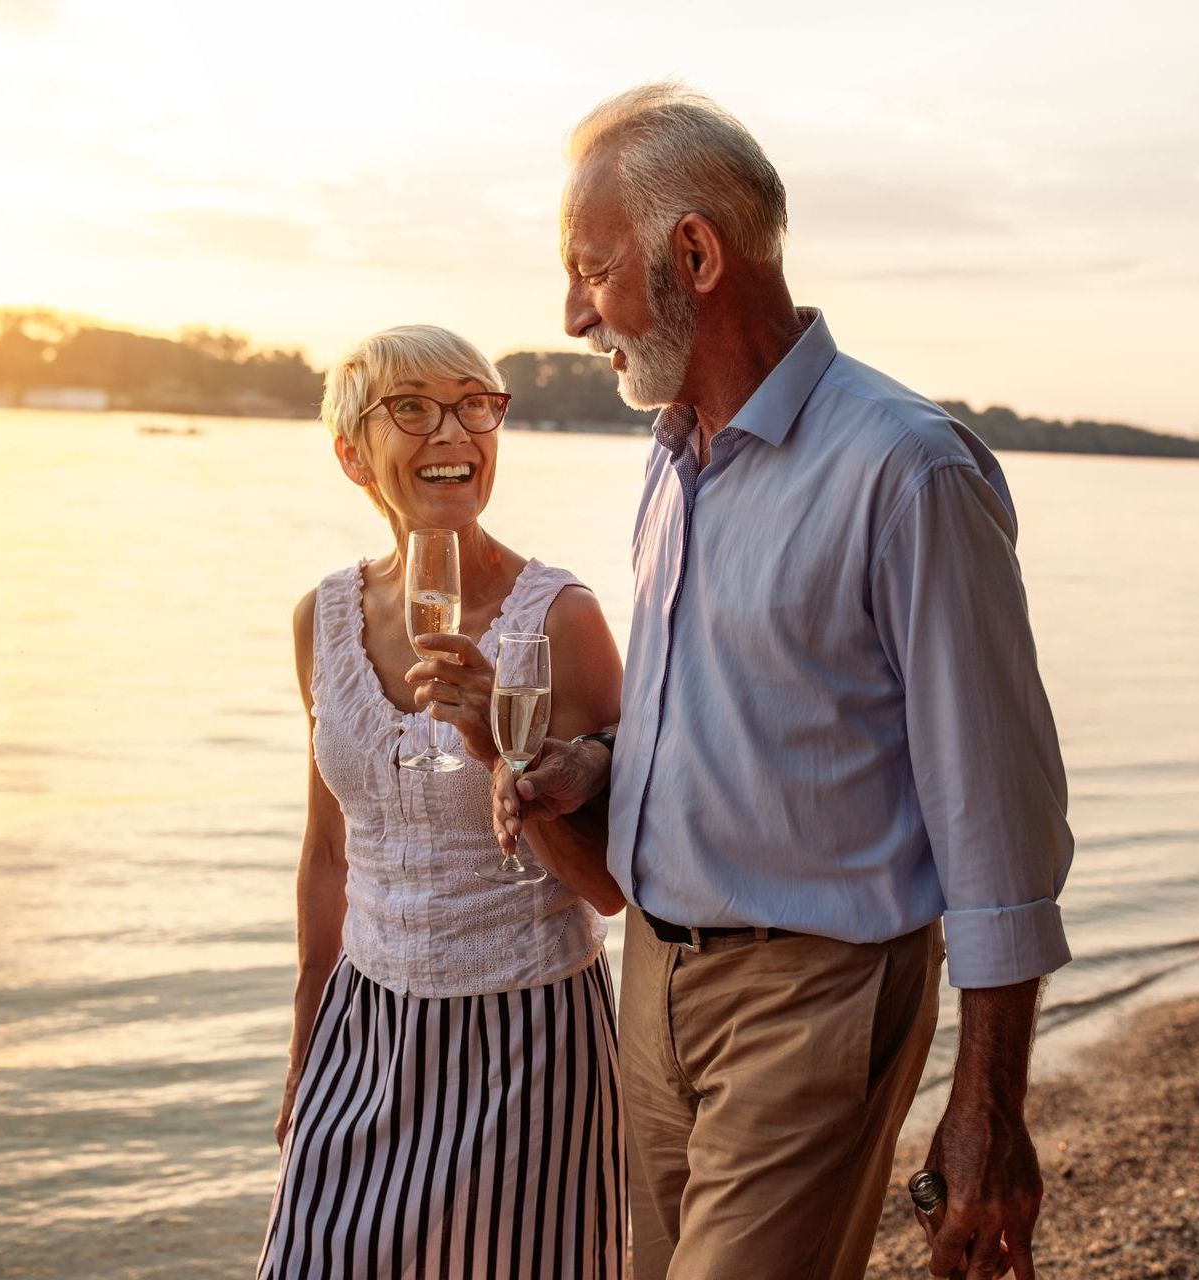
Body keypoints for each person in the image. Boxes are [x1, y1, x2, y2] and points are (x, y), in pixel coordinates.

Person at [494, 85, 1076, 1280]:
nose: (569, 315)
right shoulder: (670, 459)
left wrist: (989, 1104)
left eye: (590, 271)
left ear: (693, 254)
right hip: (651, 982)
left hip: (813, 997)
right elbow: (713, 707)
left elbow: (997, 816)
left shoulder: (907, 471)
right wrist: (592, 765)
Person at [259, 325, 628, 1280]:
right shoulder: (322, 617)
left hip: (528, 1040)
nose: (453, 431)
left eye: (475, 405)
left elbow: (609, 889)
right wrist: (307, 1041)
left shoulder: (561, 620)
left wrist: (492, 748)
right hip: (363, 1028)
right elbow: (329, 853)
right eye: (412, 409)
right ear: (352, 453)